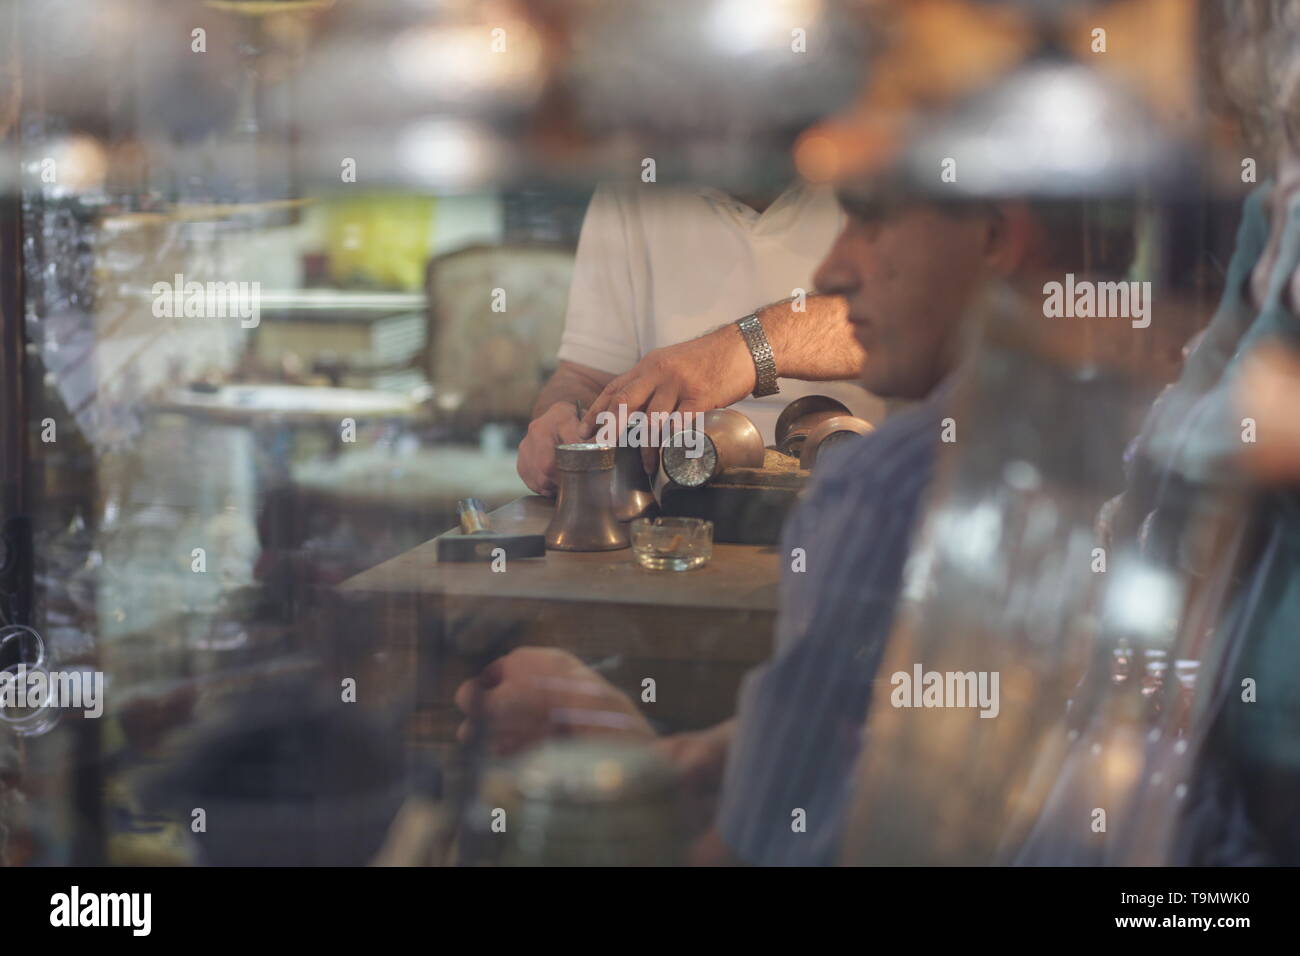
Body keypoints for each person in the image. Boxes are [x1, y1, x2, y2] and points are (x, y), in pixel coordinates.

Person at [461, 190, 1136, 864]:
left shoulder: (885, 489)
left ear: (997, 236)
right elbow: (870, 759)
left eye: (872, 221)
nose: (830, 272)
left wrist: (748, 346)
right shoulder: (1114, 451)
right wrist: (562, 416)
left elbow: (748, 849)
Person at [516, 182, 883, 494]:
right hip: (679, 509)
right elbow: (584, 377)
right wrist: (560, 418)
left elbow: (913, 315)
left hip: (861, 499)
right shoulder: (631, 186)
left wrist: (742, 351)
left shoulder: (876, 164)